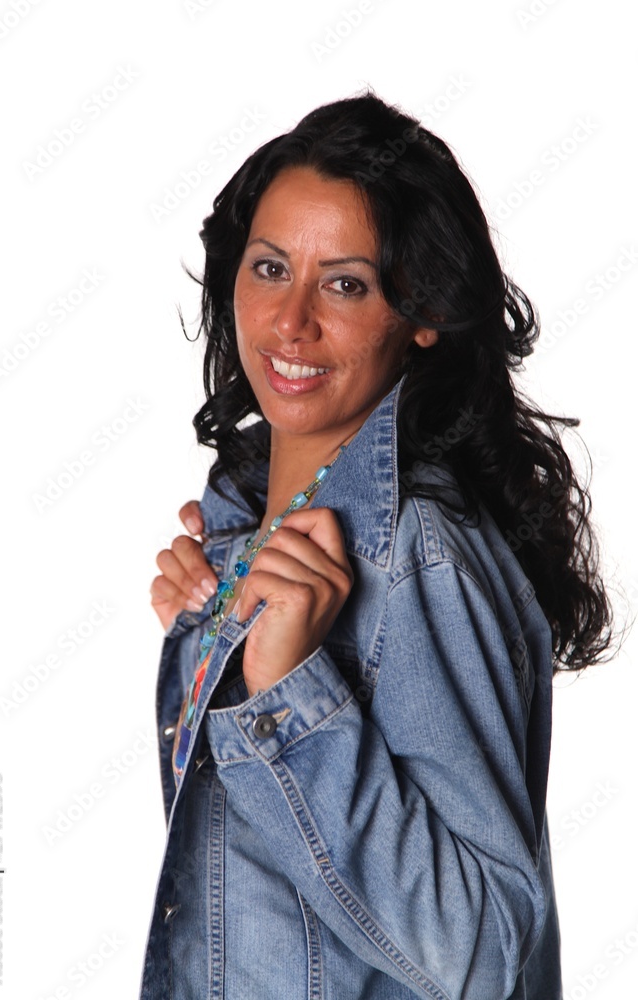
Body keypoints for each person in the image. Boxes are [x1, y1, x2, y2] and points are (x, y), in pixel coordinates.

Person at [139, 91, 618, 999]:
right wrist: (216, 623)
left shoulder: (415, 557)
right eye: (270, 268)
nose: (291, 322)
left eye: (346, 284)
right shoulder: (248, 513)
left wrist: (287, 689)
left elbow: (484, 957)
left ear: (422, 313)